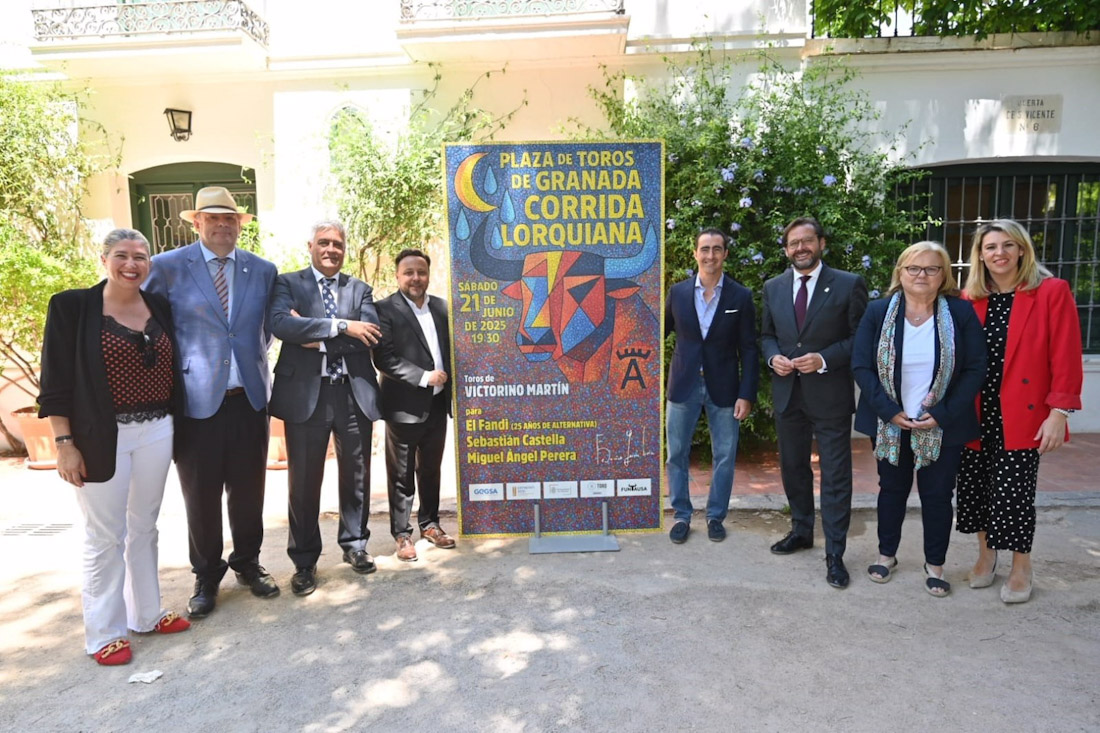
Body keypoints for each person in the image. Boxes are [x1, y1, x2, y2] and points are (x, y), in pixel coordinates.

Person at [38, 229, 190, 666]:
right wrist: (65, 443)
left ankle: (147, 613)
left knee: (145, 524)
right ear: (104, 259)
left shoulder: (157, 305)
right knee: (105, 535)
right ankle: (104, 633)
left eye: (140, 257)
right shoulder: (73, 307)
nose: (131, 264)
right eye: (121, 256)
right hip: (100, 436)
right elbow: (55, 383)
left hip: (158, 428)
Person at [144, 186, 280, 617]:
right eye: (213, 218)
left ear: (240, 224)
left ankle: (248, 563)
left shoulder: (262, 269)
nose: (223, 225)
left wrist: (249, 363)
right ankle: (206, 575)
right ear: (198, 222)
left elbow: (266, 329)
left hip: (248, 400)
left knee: (248, 490)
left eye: (230, 219)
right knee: (200, 495)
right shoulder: (166, 268)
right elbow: (151, 326)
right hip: (196, 403)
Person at [956, 219, 1083, 604]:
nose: (1000, 253)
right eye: (991, 247)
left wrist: (1058, 412)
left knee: (1013, 493)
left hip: (1023, 412)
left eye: (1008, 245)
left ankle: (1021, 566)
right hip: (975, 410)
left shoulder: (1051, 292)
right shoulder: (969, 299)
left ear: (1022, 250)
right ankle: (985, 556)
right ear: (980, 255)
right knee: (975, 489)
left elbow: (1066, 355)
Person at [852, 241, 986, 597]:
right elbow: (861, 365)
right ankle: (886, 554)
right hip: (889, 423)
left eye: (931, 268)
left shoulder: (960, 313)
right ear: (901, 272)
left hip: (943, 425)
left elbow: (976, 369)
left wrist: (941, 414)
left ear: (943, 275)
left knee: (938, 496)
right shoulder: (878, 311)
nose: (922, 275)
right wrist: (887, 410)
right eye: (914, 268)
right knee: (891, 491)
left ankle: (935, 564)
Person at [269, 221, 383, 596]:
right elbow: (283, 326)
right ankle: (304, 561)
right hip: (307, 396)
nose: (331, 249)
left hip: (352, 394)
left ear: (344, 248)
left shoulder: (360, 289)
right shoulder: (289, 284)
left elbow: (369, 335)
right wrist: (340, 327)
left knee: (357, 476)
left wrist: (315, 336)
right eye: (324, 243)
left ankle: (355, 544)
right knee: (303, 483)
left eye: (337, 243)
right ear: (310, 246)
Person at [761, 217, 868, 588]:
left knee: (836, 477)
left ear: (821, 243)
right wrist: (772, 357)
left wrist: (824, 359)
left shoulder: (849, 284)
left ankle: (835, 553)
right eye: (793, 243)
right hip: (788, 394)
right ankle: (802, 530)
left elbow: (860, 338)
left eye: (807, 241)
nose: (800, 248)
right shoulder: (773, 287)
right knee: (793, 467)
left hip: (830, 396)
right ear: (786, 249)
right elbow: (767, 335)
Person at [664, 228, 758, 544]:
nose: (710, 256)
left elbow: (749, 348)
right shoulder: (676, 293)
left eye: (717, 249)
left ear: (725, 254)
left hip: (725, 389)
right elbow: (657, 333)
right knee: (676, 453)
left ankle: (716, 516)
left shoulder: (740, 296)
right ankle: (681, 515)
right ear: (695, 253)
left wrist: (747, 393)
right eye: (704, 249)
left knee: (725, 456)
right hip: (683, 385)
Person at [372, 249, 456, 561]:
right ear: (398, 277)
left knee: (431, 470)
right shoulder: (383, 310)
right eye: (408, 273)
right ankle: (402, 533)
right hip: (403, 407)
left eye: (420, 272)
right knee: (401, 474)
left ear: (428, 274)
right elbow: (384, 359)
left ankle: (431, 524)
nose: (415, 278)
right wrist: (424, 377)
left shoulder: (442, 307)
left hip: (436, 406)